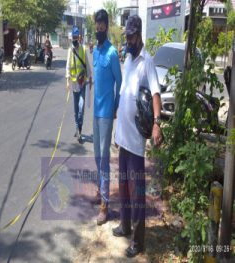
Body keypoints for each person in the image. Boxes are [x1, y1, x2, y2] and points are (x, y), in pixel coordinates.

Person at [112, 15, 162, 258]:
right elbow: (124, 97)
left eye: (131, 36)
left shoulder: (147, 62)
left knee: (137, 191)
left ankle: (139, 241)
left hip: (135, 142)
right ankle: (124, 225)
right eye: (127, 36)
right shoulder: (129, 59)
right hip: (123, 138)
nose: (128, 40)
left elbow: (155, 94)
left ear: (139, 34)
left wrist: (157, 123)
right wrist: (116, 132)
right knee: (122, 186)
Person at [92, 9, 122, 225]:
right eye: (97, 25)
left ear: (107, 26)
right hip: (95, 112)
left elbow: (119, 83)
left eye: (102, 25)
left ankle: (105, 205)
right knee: (96, 155)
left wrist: (116, 108)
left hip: (106, 114)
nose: (99, 28)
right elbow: (97, 80)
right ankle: (100, 188)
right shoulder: (95, 51)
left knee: (104, 158)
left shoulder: (112, 53)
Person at [66, 26, 92, 143]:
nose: (75, 39)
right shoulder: (70, 51)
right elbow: (67, 66)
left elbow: (87, 65)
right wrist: (67, 81)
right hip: (74, 84)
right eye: (73, 37)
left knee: (81, 107)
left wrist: (90, 78)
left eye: (76, 37)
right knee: (76, 109)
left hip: (82, 84)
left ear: (80, 38)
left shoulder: (83, 49)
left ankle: (80, 129)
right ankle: (77, 127)